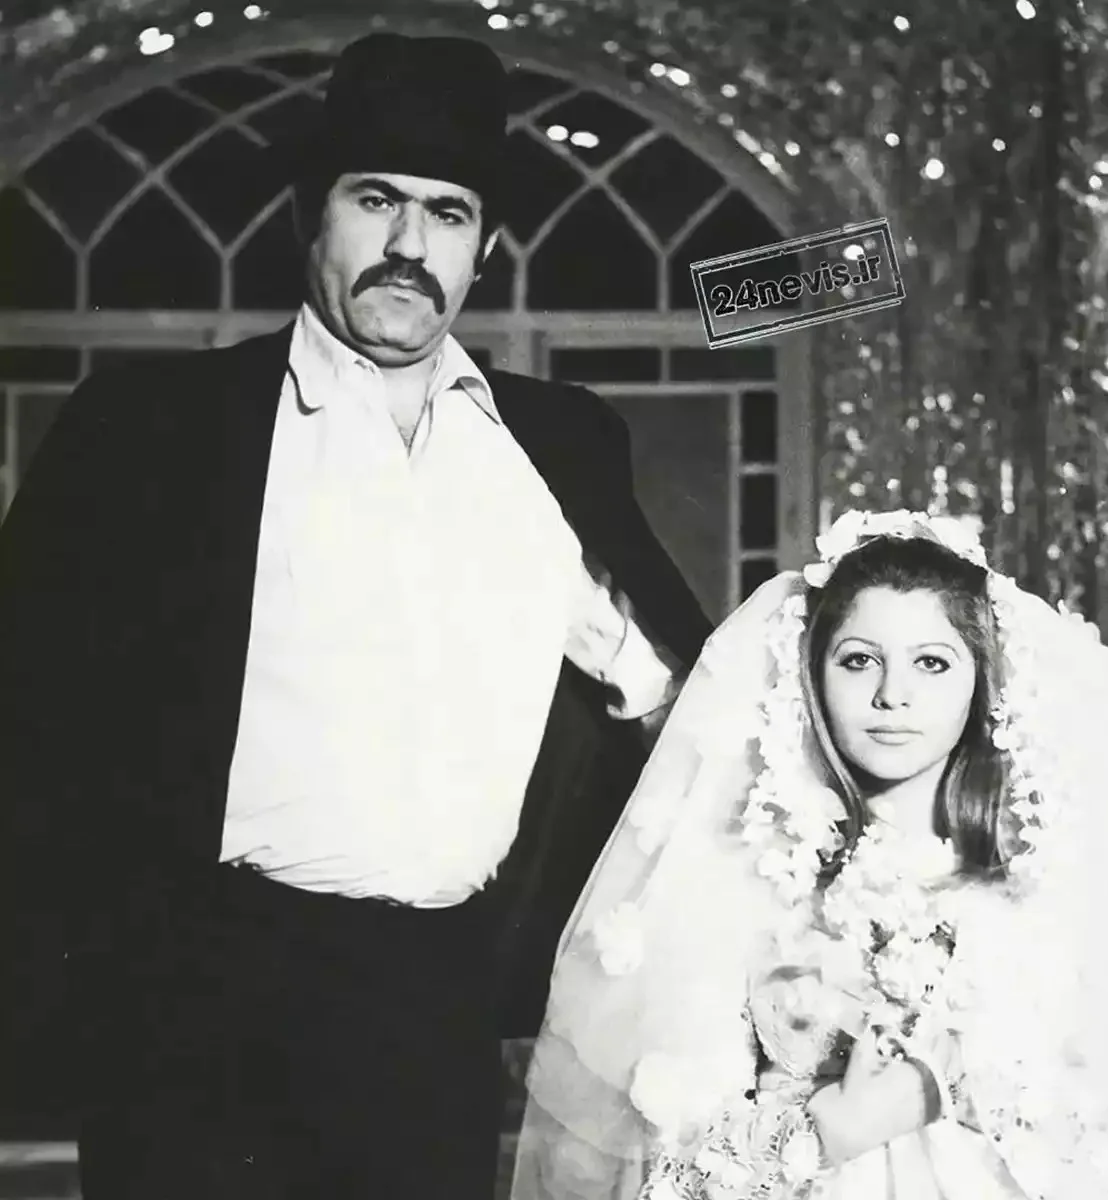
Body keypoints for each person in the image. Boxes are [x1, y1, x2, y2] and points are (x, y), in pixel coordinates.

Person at [0, 31, 712, 1200]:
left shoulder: (561, 443)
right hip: (191, 1010)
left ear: (484, 248)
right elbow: (25, 713)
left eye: (447, 212)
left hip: (434, 1010)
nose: (408, 246)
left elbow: (683, 706)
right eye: (375, 199)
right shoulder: (151, 425)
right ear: (310, 217)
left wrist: (613, 644)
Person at [512, 509, 1108, 1200]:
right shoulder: (747, 882)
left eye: (932, 663)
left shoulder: (1041, 887)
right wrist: (829, 1133)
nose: (892, 695)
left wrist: (990, 1090)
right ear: (812, 674)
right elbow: (659, 1176)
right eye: (859, 660)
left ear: (980, 680)